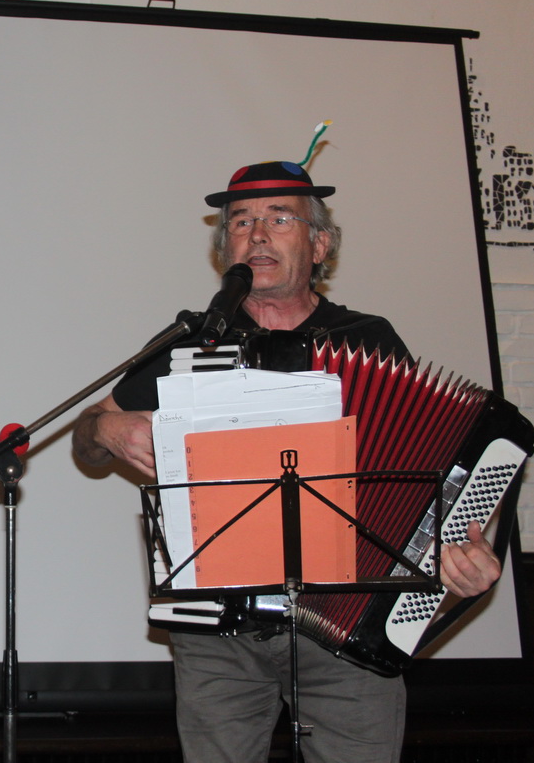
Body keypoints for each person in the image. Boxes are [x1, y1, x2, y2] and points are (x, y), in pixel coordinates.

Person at [71, 160, 502, 763]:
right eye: (240, 221)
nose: (257, 234)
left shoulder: (367, 340)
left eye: (279, 219)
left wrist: (460, 549)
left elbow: (431, 467)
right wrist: (108, 428)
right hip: (215, 629)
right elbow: (86, 437)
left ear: (319, 245)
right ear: (225, 249)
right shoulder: (192, 342)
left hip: (345, 626)